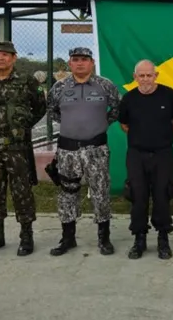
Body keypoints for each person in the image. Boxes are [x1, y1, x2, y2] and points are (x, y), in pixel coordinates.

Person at [0, 41, 47, 257]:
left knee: (22, 192)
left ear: (14, 58)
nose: (1, 58)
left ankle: (26, 235)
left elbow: (40, 106)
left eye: (5, 55)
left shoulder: (26, 82)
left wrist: (22, 125)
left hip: (17, 149)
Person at [45, 47, 122, 257]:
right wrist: (73, 124)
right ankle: (68, 238)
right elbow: (52, 110)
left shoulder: (105, 85)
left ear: (92, 62)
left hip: (96, 149)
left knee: (100, 191)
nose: (80, 63)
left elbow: (117, 109)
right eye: (76, 60)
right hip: (67, 149)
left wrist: (100, 125)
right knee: (67, 193)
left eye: (84, 60)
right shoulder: (59, 87)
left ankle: (104, 238)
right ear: (70, 63)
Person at [118, 59, 173, 260]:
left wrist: (161, 136)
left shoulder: (168, 94)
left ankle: (163, 238)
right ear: (135, 77)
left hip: (163, 153)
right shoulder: (129, 99)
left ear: (155, 76)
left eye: (149, 75)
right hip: (137, 154)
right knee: (138, 196)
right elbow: (124, 124)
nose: (145, 79)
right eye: (141, 75)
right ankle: (139, 239)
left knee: (163, 195)